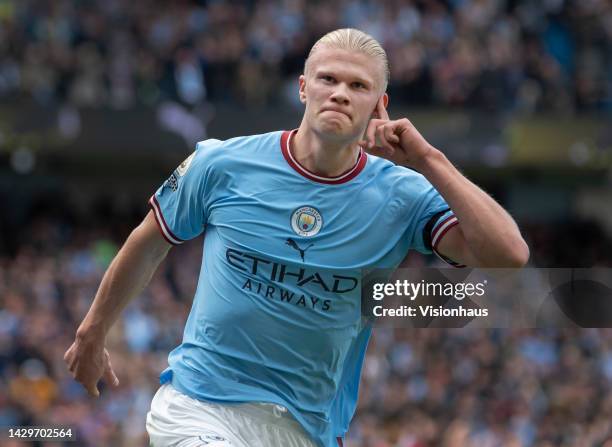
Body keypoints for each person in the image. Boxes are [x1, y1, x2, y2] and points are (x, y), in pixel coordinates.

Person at [64, 28, 529, 447]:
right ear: (303, 88)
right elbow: (149, 242)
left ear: (380, 105)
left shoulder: (403, 195)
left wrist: (430, 160)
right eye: (328, 80)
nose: (340, 94)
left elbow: (508, 255)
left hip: (306, 429)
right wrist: (93, 329)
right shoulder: (222, 164)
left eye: (359, 86)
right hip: (200, 406)